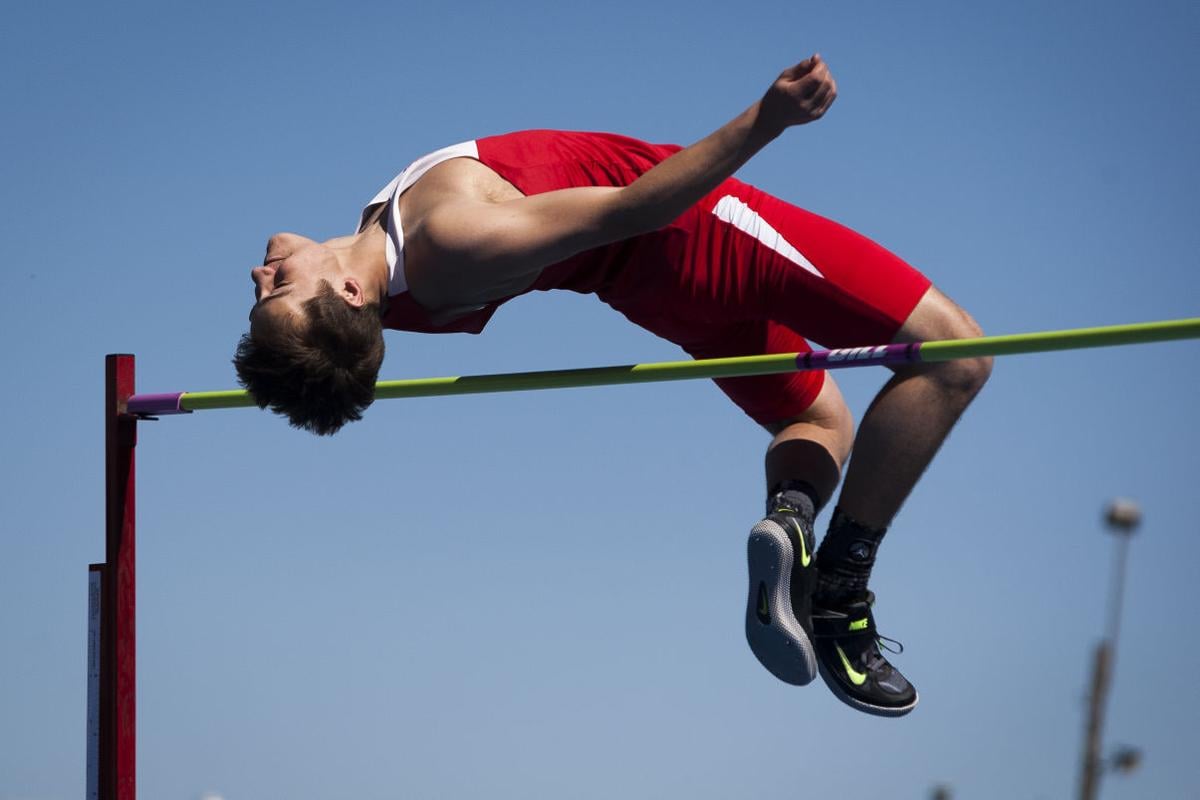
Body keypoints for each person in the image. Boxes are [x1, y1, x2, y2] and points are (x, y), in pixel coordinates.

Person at [234, 55, 991, 717]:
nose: (261, 271)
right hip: (706, 236)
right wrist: (768, 120)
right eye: (277, 288)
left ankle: (790, 522)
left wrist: (295, 343)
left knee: (821, 423)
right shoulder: (452, 242)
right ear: (349, 293)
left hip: (658, 295)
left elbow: (322, 332)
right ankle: (840, 596)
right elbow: (638, 207)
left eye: (263, 288)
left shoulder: (375, 273)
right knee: (957, 355)